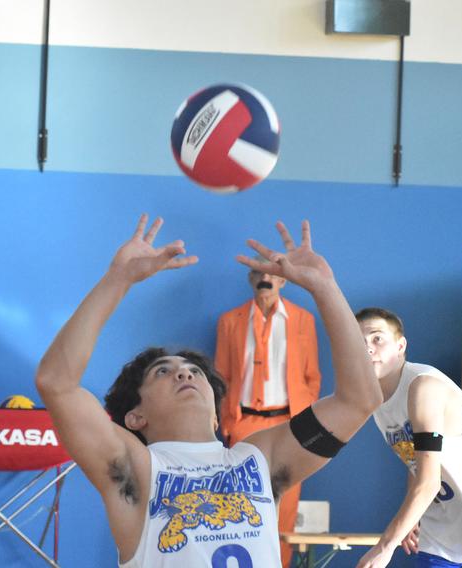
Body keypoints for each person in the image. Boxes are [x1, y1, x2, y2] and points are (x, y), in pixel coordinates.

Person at [35, 215, 381, 567]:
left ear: (217, 411)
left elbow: (360, 400)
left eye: (193, 370)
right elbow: (56, 383)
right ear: (135, 417)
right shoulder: (137, 468)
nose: (184, 374)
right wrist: (118, 279)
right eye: (163, 371)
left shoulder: (259, 458)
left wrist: (325, 288)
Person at [355, 307, 462, 568]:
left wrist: (386, 545)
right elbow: (418, 461)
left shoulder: (423, 388)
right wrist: (412, 515)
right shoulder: (376, 400)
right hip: (442, 532)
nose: (368, 348)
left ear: (400, 345)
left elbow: (429, 481)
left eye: (377, 338)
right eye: (360, 342)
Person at [215, 251, 322, 566]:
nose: (266, 280)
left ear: (284, 280)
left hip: (289, 423)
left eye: (273, 275)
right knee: (241, 504)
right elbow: (222, 375)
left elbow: (311, 376)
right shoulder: (229, 321)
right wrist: (227, 423)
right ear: (251, 280)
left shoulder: (303, 319)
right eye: (259, 275)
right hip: (245, 421)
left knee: (285, 507)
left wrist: (306, 419)